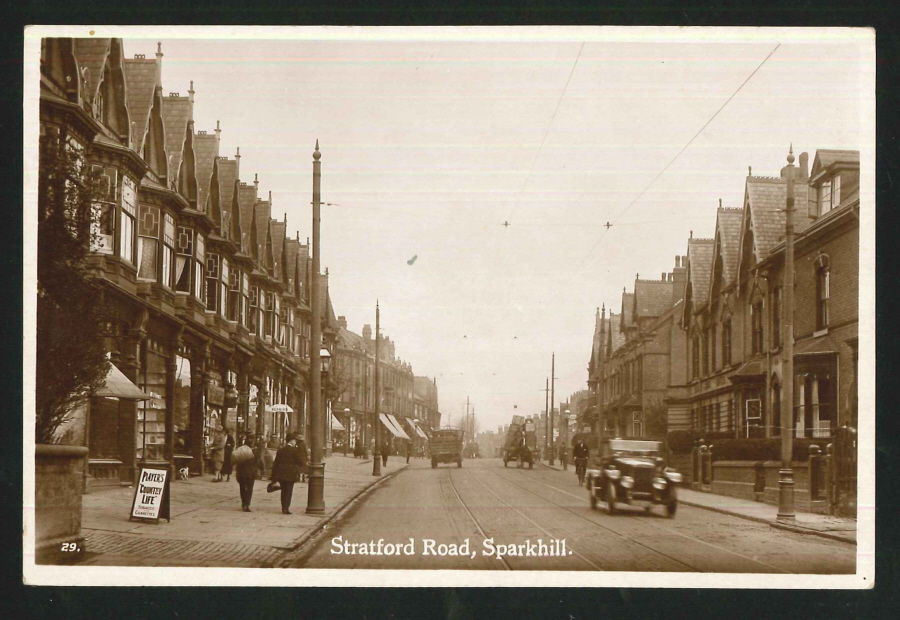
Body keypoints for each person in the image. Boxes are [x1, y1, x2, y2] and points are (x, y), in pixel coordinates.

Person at [270, 433, 307, 514]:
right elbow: (301, 462)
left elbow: (276, 464)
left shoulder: (281, 450)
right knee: (289, 491)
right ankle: (286, 508)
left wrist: (273, 477)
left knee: (283, 491)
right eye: (294, 441)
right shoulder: (295, 451)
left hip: (281, 474)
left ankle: (283, 506)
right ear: (292, 441)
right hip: (291, 474)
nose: (295, 442)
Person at [235, 435, 264, 512]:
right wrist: (261, 469)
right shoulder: (255, 451)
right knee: (249, 489)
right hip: (251, 473)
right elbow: (258, 461)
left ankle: (244, 503)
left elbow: (237, 461)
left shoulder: (241, 450)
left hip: (242, 472)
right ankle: (247, 504)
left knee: (242, 488)